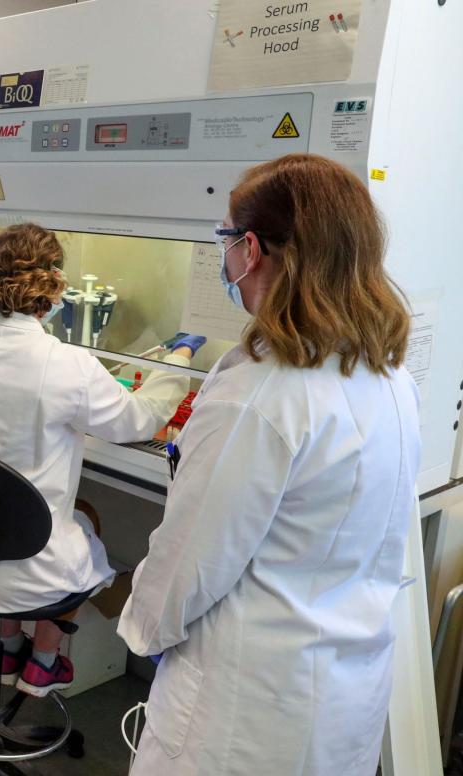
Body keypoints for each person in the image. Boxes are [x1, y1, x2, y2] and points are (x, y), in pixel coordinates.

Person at [117, 154, 420, 775]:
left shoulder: (261, 390)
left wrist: (141, 631)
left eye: (225, 241)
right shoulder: (388, 376)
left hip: (241, 715)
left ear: (248, 249)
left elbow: (189, 563)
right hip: (342, 702)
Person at [0, 223, 205, 697]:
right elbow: (138, 420)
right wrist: (179, 361)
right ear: (54, 284)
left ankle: (3, 649)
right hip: (28, 574)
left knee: (3, 517)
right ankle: (45, 660)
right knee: (84, 518)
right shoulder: (68, 364)